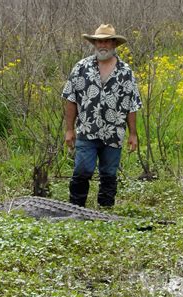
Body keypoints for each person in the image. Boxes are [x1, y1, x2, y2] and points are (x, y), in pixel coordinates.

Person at [62, 24, 142, 208]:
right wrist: (69, 130)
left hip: (114, 133)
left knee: (109, 174)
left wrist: (133, 134)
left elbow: (132, 105)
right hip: (86, 130)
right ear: (94, 43)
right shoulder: (81, 67)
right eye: (99, 41)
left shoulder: (125, 72)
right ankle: (75, 210)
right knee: (82, 170)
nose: (102, 45)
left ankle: (105, 213)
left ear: (114, 43)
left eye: (106, 41)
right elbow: (70, 99)